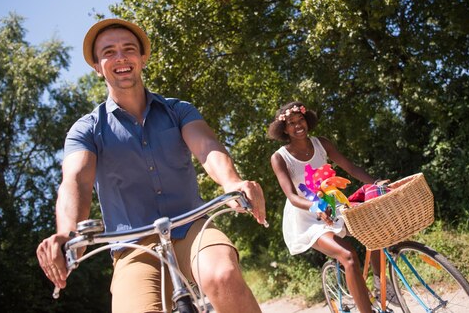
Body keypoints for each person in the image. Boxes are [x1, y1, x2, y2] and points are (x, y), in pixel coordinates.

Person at [37, 18, 266, 313]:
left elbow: (208, 149)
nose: (120, 57)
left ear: (143, 58)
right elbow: (76, 182)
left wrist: (232, 182)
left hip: (192, 228)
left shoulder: (178, 110)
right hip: (132, 247)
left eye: (128, 49)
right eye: (108, 52)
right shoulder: (86, 130)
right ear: (97, 66)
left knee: (222, 275)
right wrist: (67, 234)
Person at [268, 101, 397, 312]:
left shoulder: (322, 144)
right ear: (284, 129)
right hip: (306, 216)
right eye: (291, 123)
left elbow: (351, 167)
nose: (298, 125)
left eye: (300, 119)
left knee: (374, 232)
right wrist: (316, 207)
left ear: (306, 120)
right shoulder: (280, 157)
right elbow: (292, 197)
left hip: (333, 204)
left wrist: (375, 182)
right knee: (348, 256)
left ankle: (381, 287)